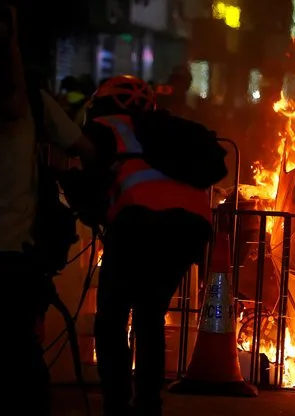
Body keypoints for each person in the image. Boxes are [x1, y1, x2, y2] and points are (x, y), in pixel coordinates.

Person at [80, 75, 226, 415]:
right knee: (149, 316)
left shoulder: (104, 128)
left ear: (104, 100)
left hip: (138, 221)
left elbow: (91, 183)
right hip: (189, 227)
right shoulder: (168, 129)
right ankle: (147, 404)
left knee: (111, 319)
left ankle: (117, 404)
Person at [0, 6, 95, 415]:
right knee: (22, 358)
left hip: (17, 260)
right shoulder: (35, 107)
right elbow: (86, 151)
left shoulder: (37, 107)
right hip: (17, 260)